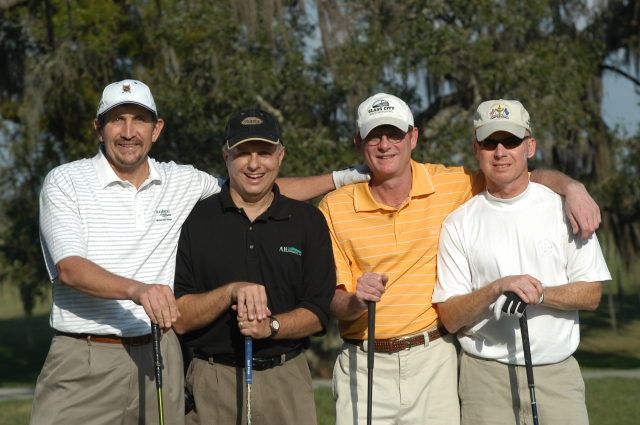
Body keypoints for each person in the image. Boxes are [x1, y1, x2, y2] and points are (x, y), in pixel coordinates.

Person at [33, 80, 367, 425]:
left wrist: (345, 177)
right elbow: (69, 267)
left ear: (156, 129)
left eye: (140, 121)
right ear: (99, 129)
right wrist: (137, 290)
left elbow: (258, 187)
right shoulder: (66, 181)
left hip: (160, 355)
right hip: (85, 354)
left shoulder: (184, 182)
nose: (129, 132)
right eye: (117, 120)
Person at [318, 93, 602, 424]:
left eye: (394, 133)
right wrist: (355, 300)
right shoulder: (336, 207)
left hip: (436, 361)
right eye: (373, 136)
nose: (385, 145)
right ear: (359, 143)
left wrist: (573, 187)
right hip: (368, 364)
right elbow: (333, 300)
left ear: (413, 137)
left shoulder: (453, 185)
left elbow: (517, 180)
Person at [432, 99, 611, 425]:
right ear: (476, 150)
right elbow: (450, 317)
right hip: (484, 381)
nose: (500, 152)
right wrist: (497, 289)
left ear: (529, 146)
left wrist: (539, 293)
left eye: (511, 141)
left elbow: (592, 293)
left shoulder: (567, 208)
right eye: (489, 142)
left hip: (557, 375)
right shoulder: (458, 223)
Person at [172, 108, 335, 425]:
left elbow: (318, 312)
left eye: (264, 152)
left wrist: (270, 327)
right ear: (226, 156)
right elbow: (181, 317)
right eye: (243, 152)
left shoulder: (308, 221)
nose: (254, 163)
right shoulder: (196, 220)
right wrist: (230, 292)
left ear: (281, 155)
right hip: (211, 383)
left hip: (286, 382)